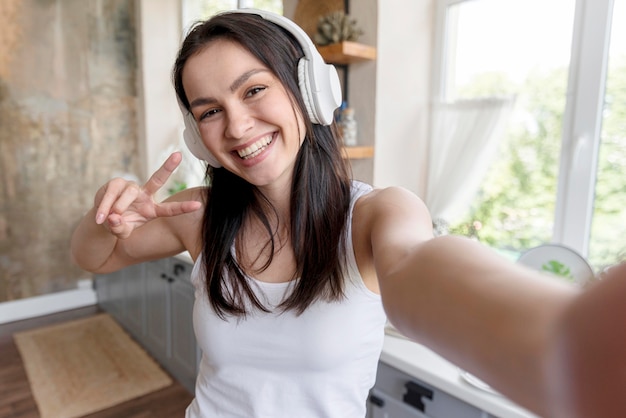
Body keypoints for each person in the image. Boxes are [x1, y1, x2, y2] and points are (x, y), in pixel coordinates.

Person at [70, 8, 626, 418]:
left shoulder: (377, 216)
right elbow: (96, 257)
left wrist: (564, 341)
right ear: (197, 135)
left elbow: (416, 268)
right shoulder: (201, 212)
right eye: (210, 111)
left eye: (255, 90)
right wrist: (107, 213)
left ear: (310, 90)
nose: (236, 127)